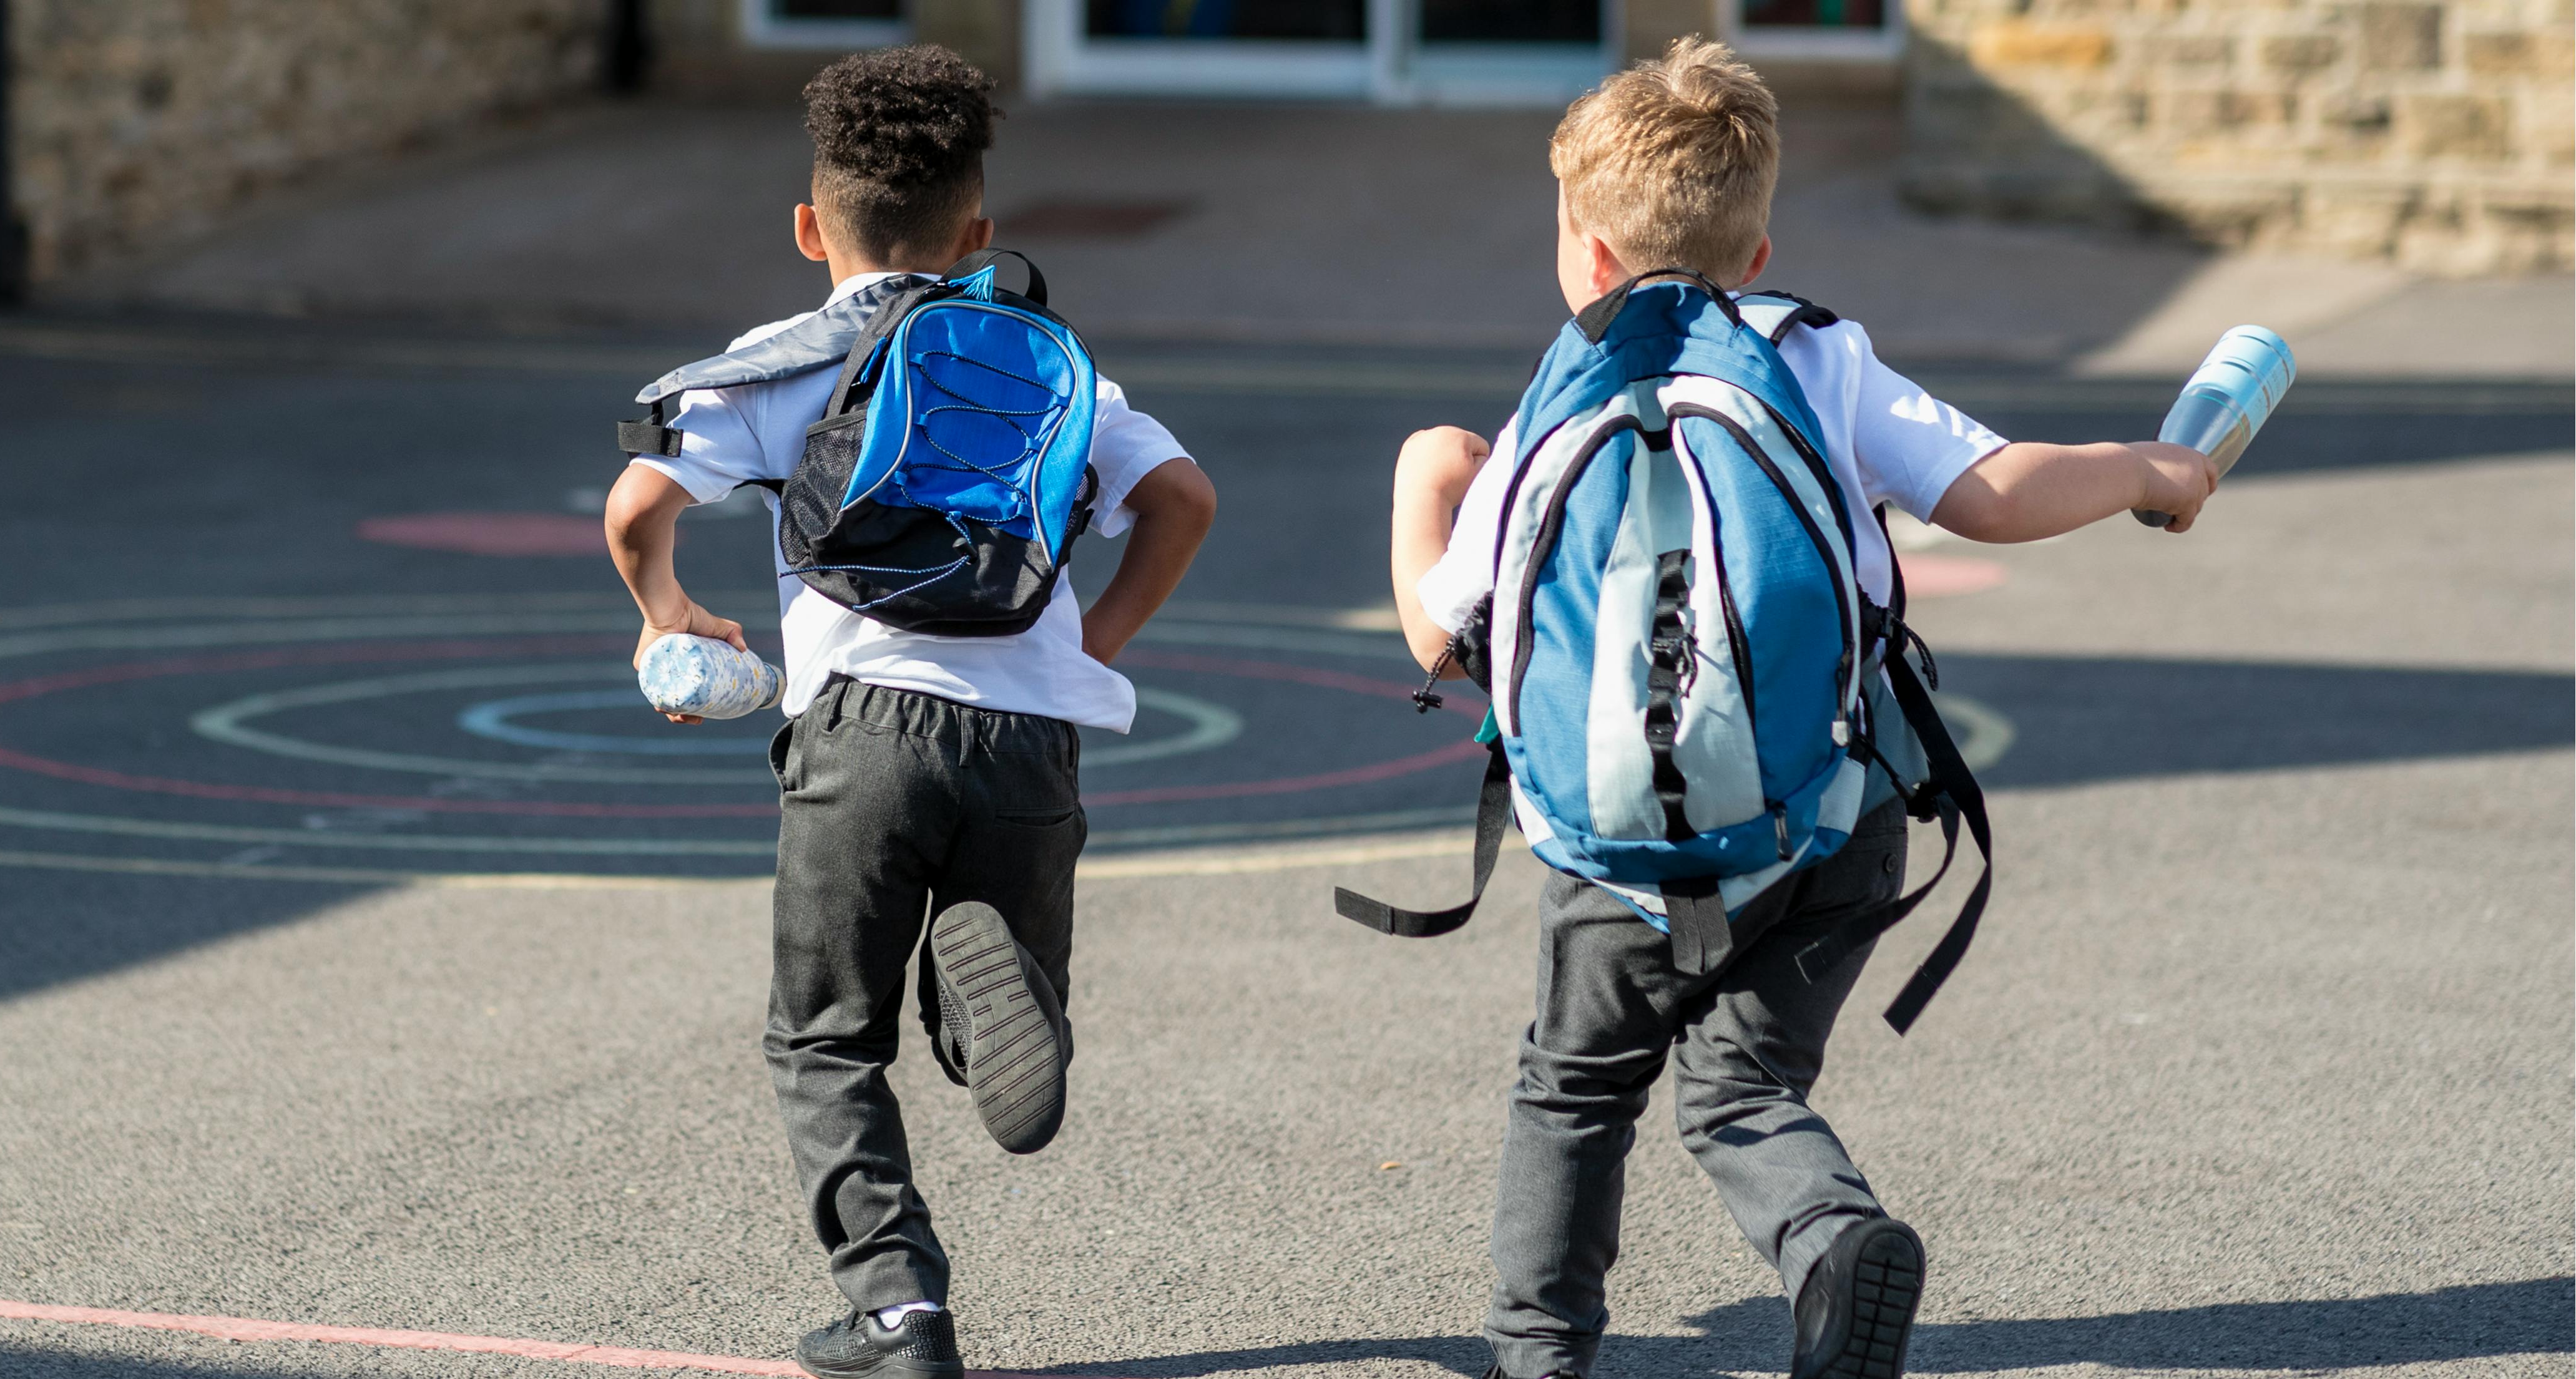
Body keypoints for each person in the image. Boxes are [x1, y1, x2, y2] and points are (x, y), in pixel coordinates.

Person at [1384, 39, 2218, 1379]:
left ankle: (1539, 1352)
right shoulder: (1813, 357)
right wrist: (2145, 464)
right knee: (1742, 1090)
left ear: (1585, 256)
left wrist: (1427, 481)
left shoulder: (1557, 399)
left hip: (1618, 851)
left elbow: (1439, 635)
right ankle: (1830, 1242)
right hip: (1830, 813)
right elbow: (1990, 493)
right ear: (1757, 256)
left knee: (1576, 1084)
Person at [599, 45, 1216, 1379]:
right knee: (992, 985)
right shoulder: (1049, 365)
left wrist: (668, 614)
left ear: (812, 228)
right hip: (1030, 737)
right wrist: (1090, 639)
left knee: (821, 1036)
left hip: (860, 733)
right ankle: (998, 990)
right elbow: (1183, 501)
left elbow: (639, 505)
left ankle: (898, 1308)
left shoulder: (779, 367)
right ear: (979, 234)